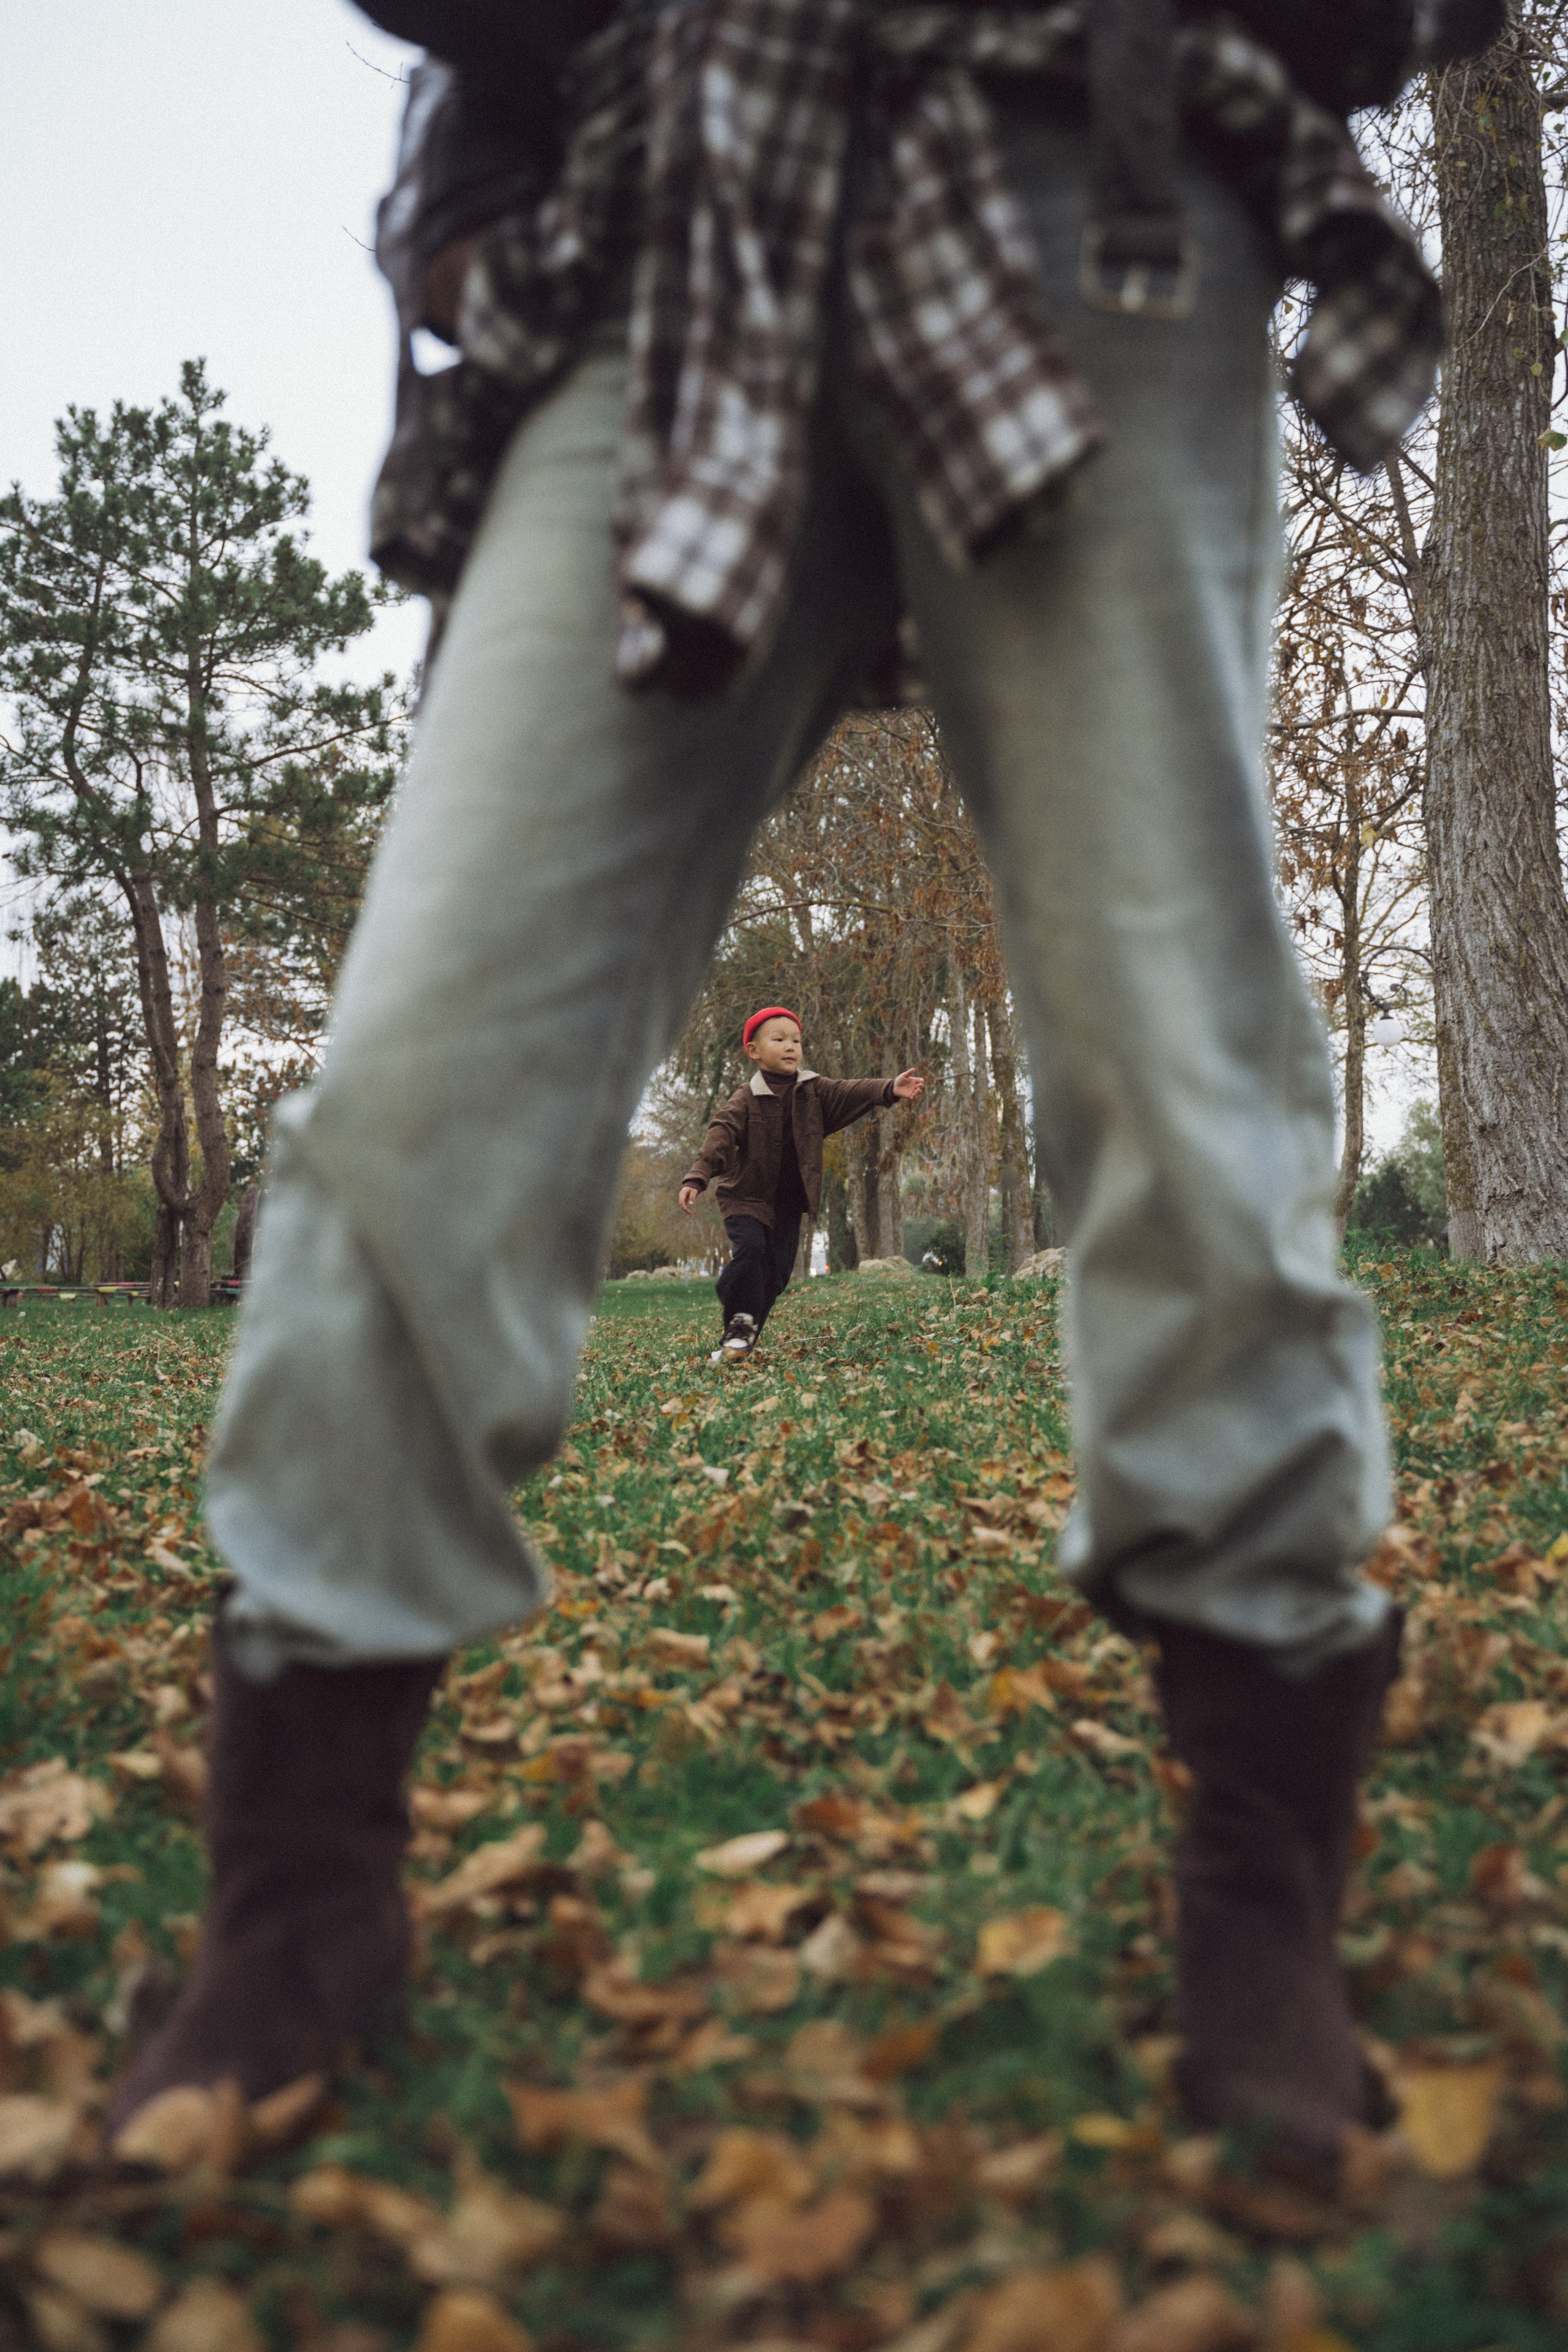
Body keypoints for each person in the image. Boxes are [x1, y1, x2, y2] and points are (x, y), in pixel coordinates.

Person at [107, 0, 1504, 2182]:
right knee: (426, 1073)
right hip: (666, 207)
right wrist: (477, 169)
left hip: (1089, 168)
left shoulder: (805, 1083)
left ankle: (1262, 1882)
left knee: (1181, 1055)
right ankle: (304, 1890)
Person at [678, 1007, 924, 1360]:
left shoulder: (814, 1092)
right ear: (754, 1051)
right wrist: (697, 1176)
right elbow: (722, 1134)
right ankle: (737, 1317)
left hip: (789, 1203)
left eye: (796, 1040)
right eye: (779, 1040)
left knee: (777, 1275)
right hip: (745, 1197)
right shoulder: (745, 1098)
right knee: (751, 1251)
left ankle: (741, 1342)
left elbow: (850, 1092)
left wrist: (889, 1088)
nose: (790, 1046)